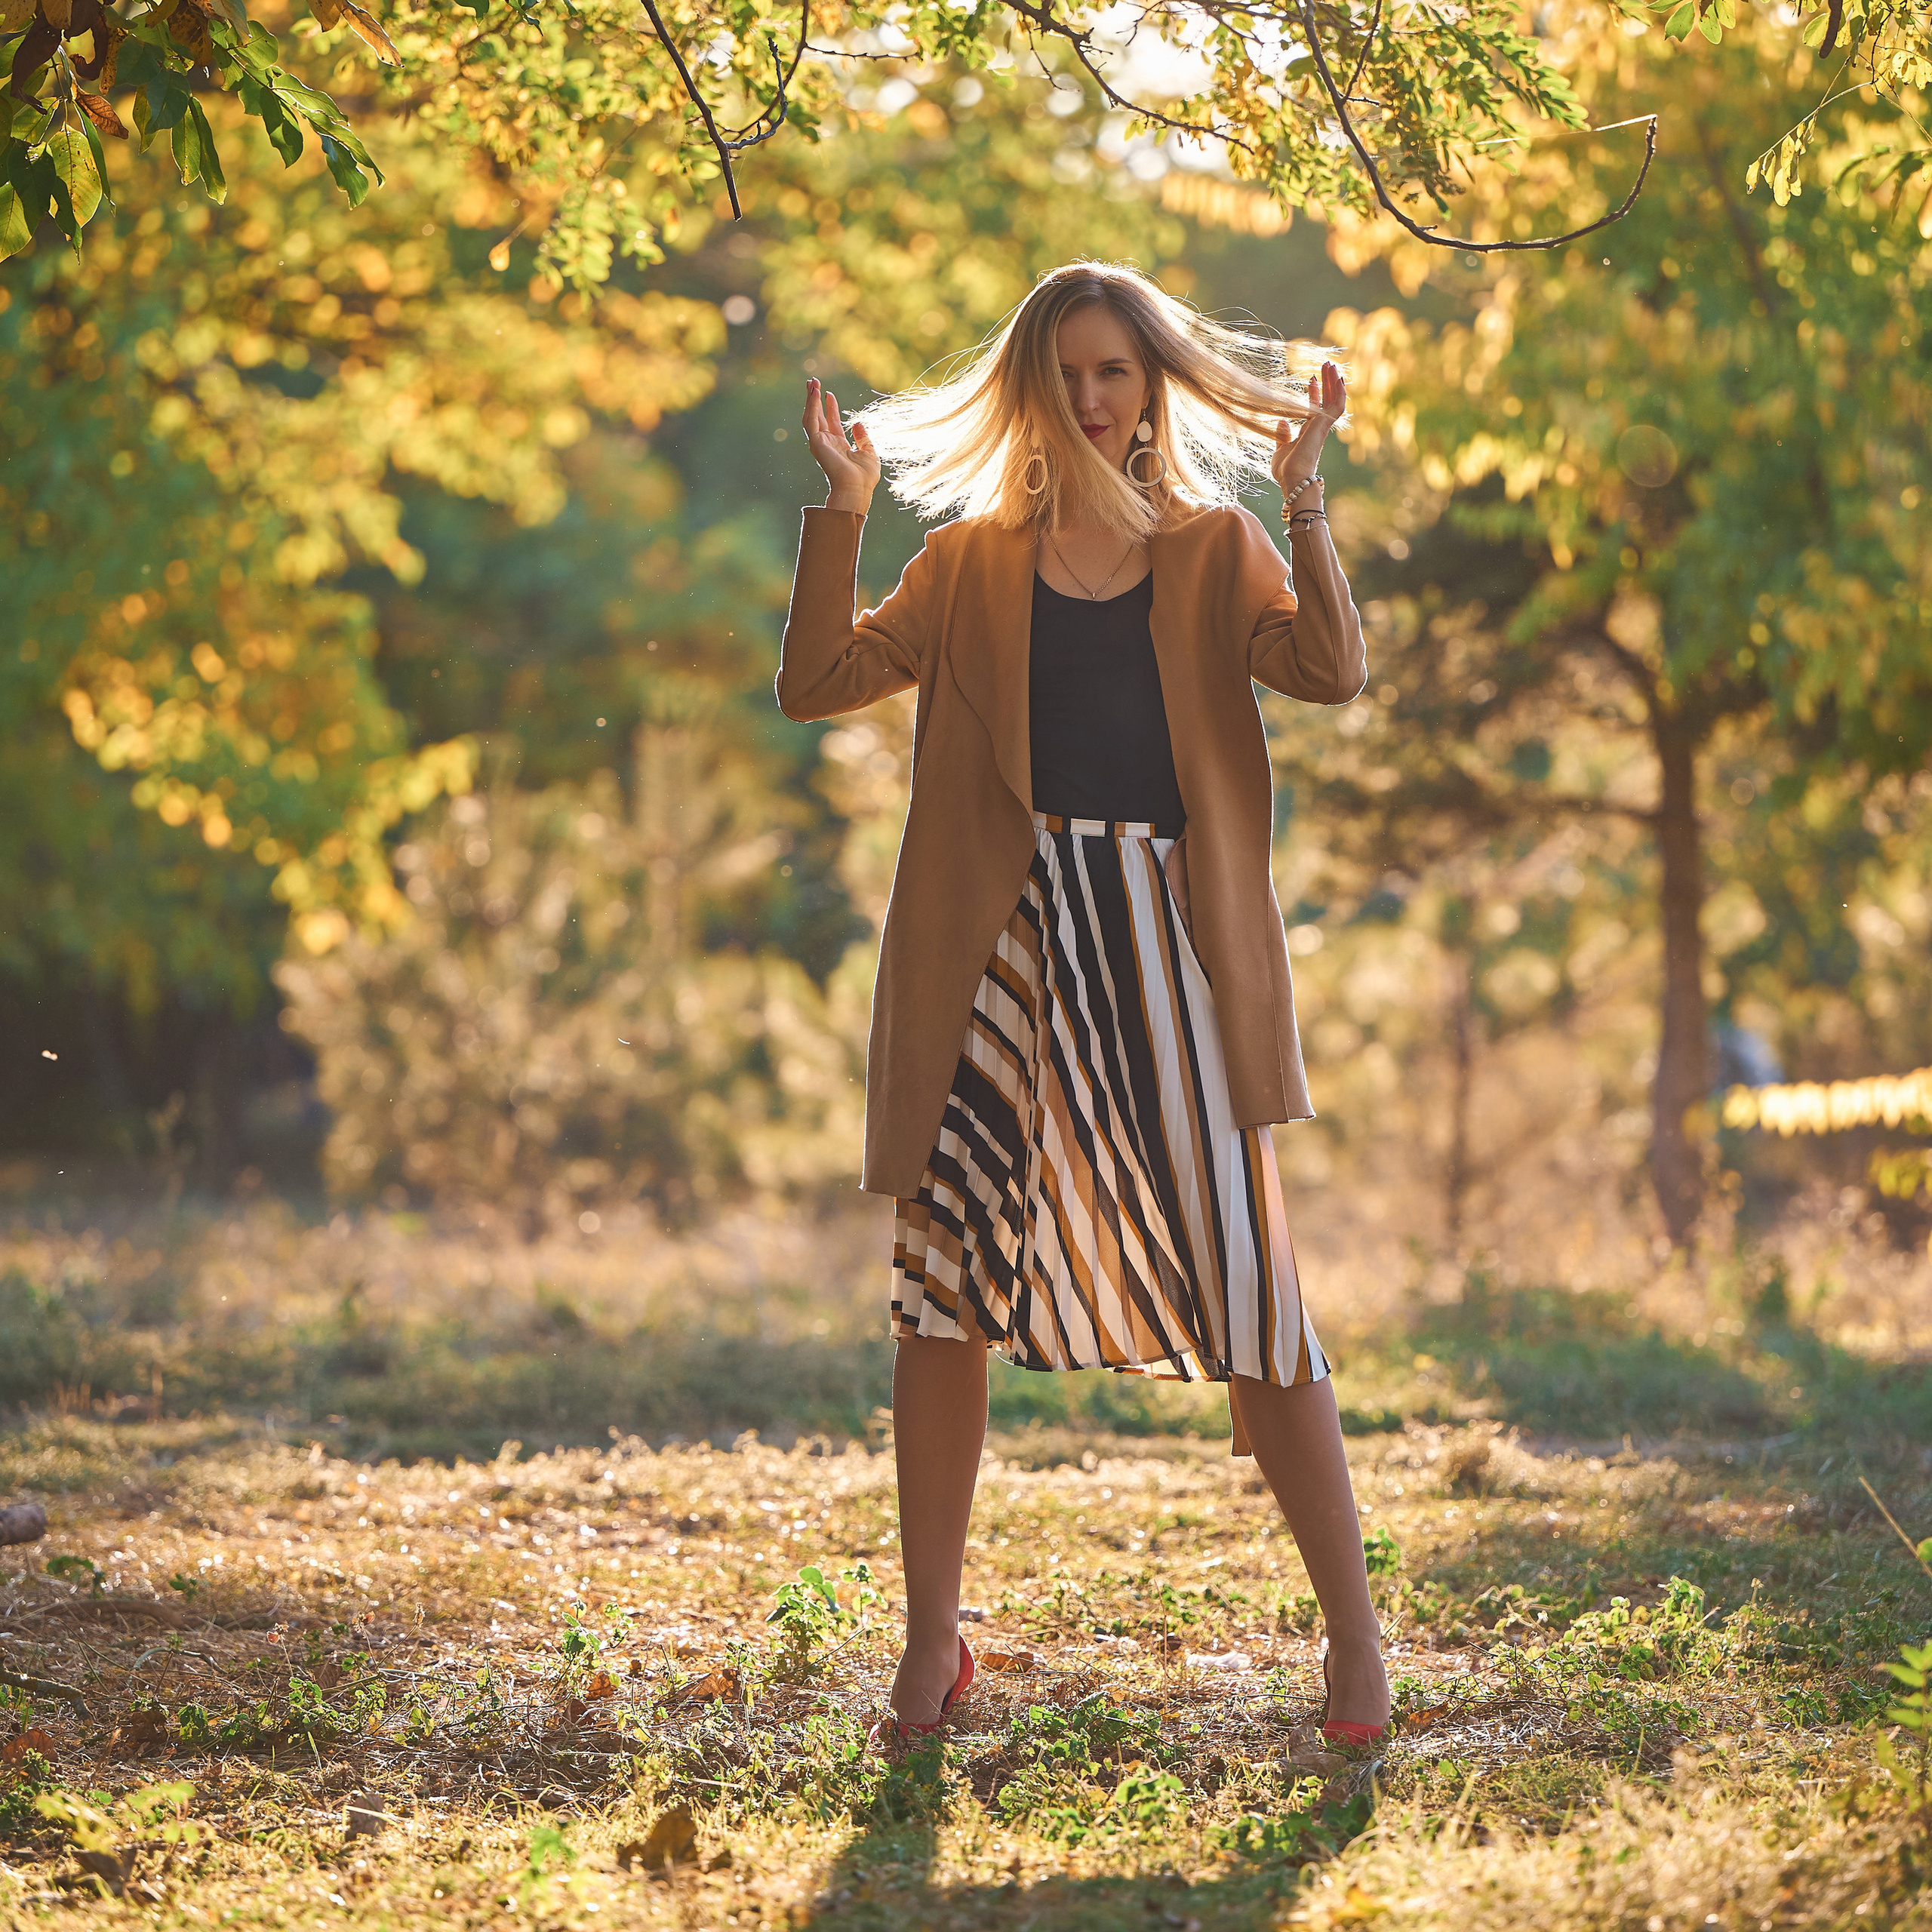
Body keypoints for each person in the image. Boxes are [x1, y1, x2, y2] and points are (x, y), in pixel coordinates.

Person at [777, 261, 1388, 1747]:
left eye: (1115, 370)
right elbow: (815, 681)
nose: (1091, 394)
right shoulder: (968, 564)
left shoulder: (1210, 545)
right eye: (1066, 372)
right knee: (943, 1294)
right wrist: (845, 508)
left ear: (1149, 392)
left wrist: (1304, 498)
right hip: (998, 953)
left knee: (1257, 1294)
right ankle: (932, 1645)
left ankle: (1354, 1642)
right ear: (1031, 394)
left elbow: (1326, 667)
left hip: (1166, 952)